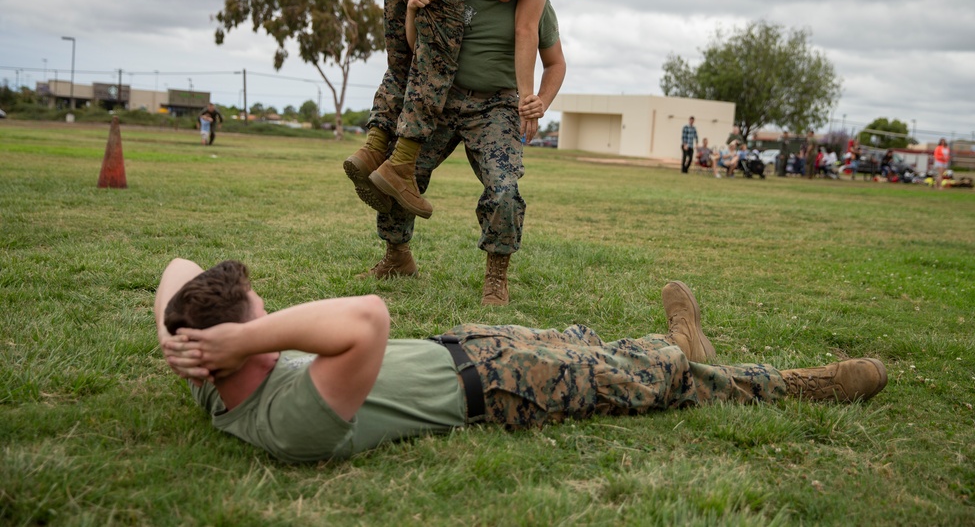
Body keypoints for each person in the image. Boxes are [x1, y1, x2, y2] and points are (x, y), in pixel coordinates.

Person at [156, 258, 889, 464]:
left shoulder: (211, 381)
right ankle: (806, 383)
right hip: (503, 386)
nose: (269, 317)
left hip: (471, 346)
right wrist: (246, 336)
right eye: (259, 313)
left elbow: (176, 263)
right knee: (657, 384)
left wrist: (180, 334)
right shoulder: (286, 422)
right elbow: (368, 319)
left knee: (599, 347)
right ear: (237, 346)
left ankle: (683, 347)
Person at [345, 0, 612, 219]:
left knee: (405, 66)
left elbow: (554, 59)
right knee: (432, 66)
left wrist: (538, 103)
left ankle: (373, 147)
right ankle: (396, 229)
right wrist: (527, 98)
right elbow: (524, 29)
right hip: (447, 90)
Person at [359, 0, 566, 305]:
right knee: (400, 173)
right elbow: (414, 48)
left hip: (495, 108)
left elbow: (556, 63)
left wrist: (540, 101)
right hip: (442, 101)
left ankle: (496, 277)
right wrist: (412, 9)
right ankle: (396, 257)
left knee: (504, 189)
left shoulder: (535, 7)